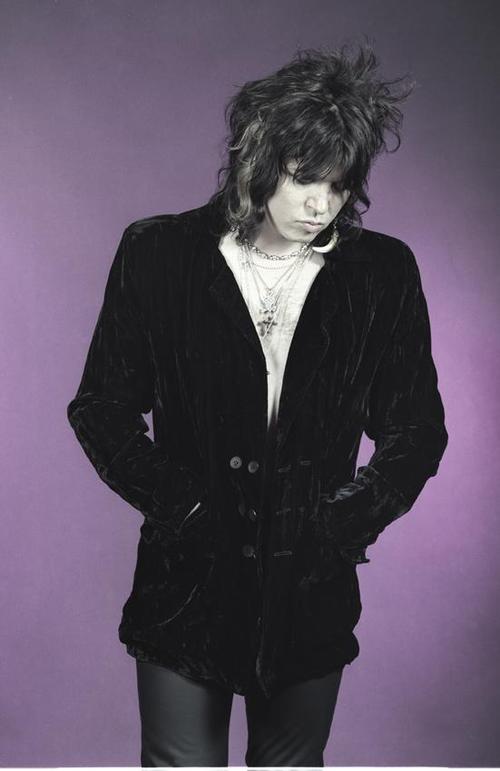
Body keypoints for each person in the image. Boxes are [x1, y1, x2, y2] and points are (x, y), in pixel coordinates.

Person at [67, 42, 448, 767]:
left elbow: (417, 429)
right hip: (188, 585)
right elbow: (101, 407)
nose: (321, 204)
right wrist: (182, 507)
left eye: (339, 185)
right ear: (258, 160)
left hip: (310, 590)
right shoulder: (160, 253)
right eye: (305, 178)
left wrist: (342, 524)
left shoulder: (380, 273)